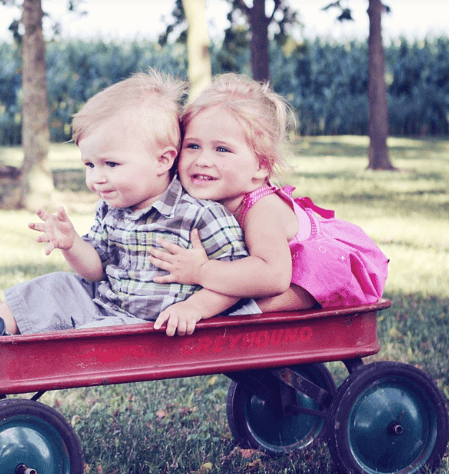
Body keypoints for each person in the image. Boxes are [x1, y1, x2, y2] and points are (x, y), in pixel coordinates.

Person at [0, 70, 257, 338]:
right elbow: (95, 269)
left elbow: (236, 282)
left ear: (162, 160)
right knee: (54, 285)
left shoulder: (199, 214)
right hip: (105, 305)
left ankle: (14, 349)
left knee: (86, 338)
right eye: (89, 165)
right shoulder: (111, 208)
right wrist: (72, 245)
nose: (97, 178)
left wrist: (195, 308)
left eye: (111, 165)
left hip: (148, 328)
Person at [150, 73, 388, 312]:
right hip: (272, 268)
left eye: (221, 149)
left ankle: (244, 314)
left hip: (319, 269)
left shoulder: (261, 210)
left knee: (264, 296)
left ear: (261, 166)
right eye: (193, 146)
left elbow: (273, 276)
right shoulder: (202, 196)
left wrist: (200, 272)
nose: (202, 160)